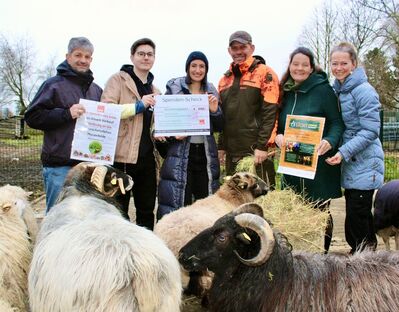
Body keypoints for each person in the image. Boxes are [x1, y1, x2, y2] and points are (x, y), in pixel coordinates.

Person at [275, 47, 345, 253]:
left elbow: (336, 123)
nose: (299, 68)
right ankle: (299, 257)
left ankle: (321, 255)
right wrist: (278, 136)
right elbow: (279, 125)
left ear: (312, 67)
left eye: (305, 65)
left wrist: (329, 141)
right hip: (293, 163)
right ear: (290, 66)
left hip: (318, 163)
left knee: (320, 210)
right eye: (295, 64)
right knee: (295, 211)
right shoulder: (285, 91)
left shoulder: (323, 90)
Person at [24, 37, 102, 213]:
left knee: (85, 216)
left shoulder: (96, 90)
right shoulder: (53, 85)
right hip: (60, 166)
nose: (83, 60)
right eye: (78, 55)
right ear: (68, 56)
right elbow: (32, 117)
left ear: (91, 59)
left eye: (87, 56)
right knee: (57, 215)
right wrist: (66, 113)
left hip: (88, 166)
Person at [326, 42, 384, 254]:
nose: (338, 67)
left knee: (357, 215)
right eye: (334, 63)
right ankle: (365, 256)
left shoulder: (363, 91)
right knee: (357, 214)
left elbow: (370, 131)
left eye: (344, 63)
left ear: (353, 64)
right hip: (353, 162)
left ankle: (365, 260)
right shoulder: (338, 90)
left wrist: (343, 152)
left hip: (365, 161)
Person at [156, 51, 223, 219]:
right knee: (179, 200)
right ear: (187, 68)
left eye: (202, 66)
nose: (198, 70)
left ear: (206, 70)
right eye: (194, 66)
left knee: (204, 201)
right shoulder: (174, 89)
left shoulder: (211, 92)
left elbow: (220, 126)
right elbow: (163, 121)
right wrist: (173, 136)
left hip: (205, 155)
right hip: (181, 154)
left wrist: (215, 111)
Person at [101, 38, 159, 230]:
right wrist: (138, 106)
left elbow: (155, 125)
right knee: (118, 211)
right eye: (141, 54)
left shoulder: (155, 90)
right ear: (132, 57)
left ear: (154, 58)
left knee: (146, 210)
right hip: (121, 158)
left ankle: (146, 253)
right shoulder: (118, 80)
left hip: (147, 160)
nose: (145, 57)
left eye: (149, 54)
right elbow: (106, 111)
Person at [218, 31, 279, 188]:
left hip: (256, 154)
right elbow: (224, 117)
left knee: (261, 203)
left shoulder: (265, 73)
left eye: (242, 47)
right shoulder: (224, 80)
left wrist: (262, 146)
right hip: (232, 155)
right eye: (234, 48)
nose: (238, 52)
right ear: (229, 51)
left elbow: (270, 113)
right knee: (235, 202)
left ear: (251, 48)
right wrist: (221, 147)